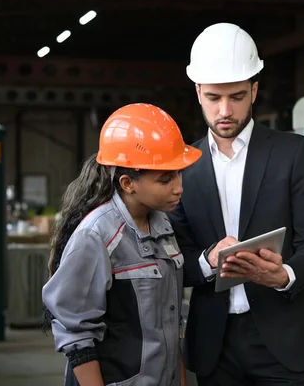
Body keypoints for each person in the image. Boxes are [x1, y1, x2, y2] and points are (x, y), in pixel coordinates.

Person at [167, 23, 304, 385]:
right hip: (215, 344)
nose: (225, 110)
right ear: (198, 92)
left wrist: (284, 275)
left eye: (237, 96)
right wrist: (208, 260)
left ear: (255, 90)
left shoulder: (294, 153)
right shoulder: (184, 166)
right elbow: (176, 259)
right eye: (214, 97)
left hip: (286, 342)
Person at [42, 103, 202, 386]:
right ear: (128, 183)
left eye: (179, 174)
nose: (179, 187)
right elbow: (77, 336)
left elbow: (170, 321)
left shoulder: (163, 226)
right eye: (166, 179)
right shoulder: (97, 235)